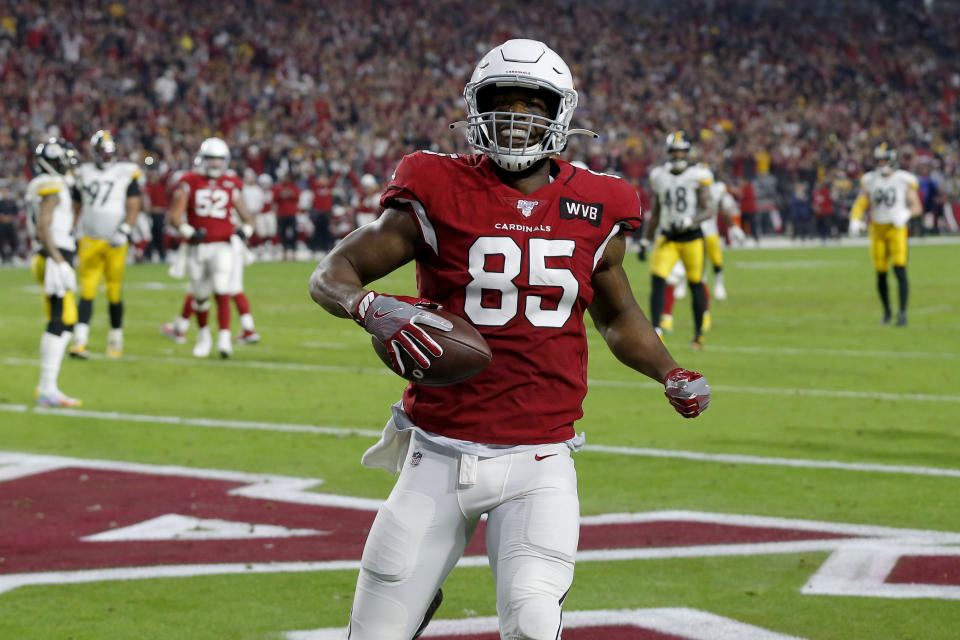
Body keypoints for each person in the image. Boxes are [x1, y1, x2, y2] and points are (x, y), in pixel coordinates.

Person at [308, 39, 710, 640]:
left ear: (559, 115)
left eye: (531, 105)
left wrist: (669, 370)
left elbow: (618, 315)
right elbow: (333, 272)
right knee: (374, 633)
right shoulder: (436, 185)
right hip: (438, 450)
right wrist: (366, 305)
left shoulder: (598, 204)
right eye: (502, 102)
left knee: (531, 621)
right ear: (475, 108)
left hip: (541, 458)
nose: (516, 119)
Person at [168, 138, 256, 357]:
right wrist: (189, 232)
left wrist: (246, 231)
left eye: (219, 160)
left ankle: (224, 339)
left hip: (223, 245)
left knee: (222, 289)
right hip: (198, 247)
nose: (216, 164)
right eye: (211, 159)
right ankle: (203, 336)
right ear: (202, 159)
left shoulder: (231, 182)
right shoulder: (190, 180)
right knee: (199, 295)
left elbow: (248, 217)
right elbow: (174, 216)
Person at [68, 130, 143, 359]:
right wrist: (71, 231)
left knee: (114, 292)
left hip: (115, 240)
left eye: (109, 151)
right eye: (103, 151)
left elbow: (134, 204)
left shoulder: (125, 172)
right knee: (87, 290)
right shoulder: (83, 173)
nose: (107, 156)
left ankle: (115, 341)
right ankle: (80, 341)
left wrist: (126, 229)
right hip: (90, 238)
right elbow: (76, 206)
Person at [639, 131, 715, 348]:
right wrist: (646, 239)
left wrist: (691, 220)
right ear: (669, 153)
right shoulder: (659, 176)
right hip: (668, 237)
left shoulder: (698, 175)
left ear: (688, 153)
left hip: (692, 238)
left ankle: (698, 334)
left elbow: (709, 208)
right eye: (675, 151)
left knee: (695, 284)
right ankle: (657, 329)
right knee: (658, 280)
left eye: (682, 151)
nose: (678, 155)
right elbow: (656, 211)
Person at [25, 138, 82, 407]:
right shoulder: (52, 186)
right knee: (59, 320)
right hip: (52, 256)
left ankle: (49, 386)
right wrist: (59, 261)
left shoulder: (49, 184)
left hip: (51, 256)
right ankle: (47, 387)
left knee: (66, 320)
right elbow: (43, 229)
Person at [848, 143, 922, 326]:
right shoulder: (870, 179)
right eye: (878, 160)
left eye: (884, 160)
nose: (881, 163)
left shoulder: (903, 179)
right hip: (877, 230)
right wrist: (855, 219)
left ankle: (902, 313)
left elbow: (917, 206)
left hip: (896, 229)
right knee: (881, 272)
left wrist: (905, 214)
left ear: (893, 160)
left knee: (899, 269)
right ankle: (887, 312)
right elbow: (861, 202)